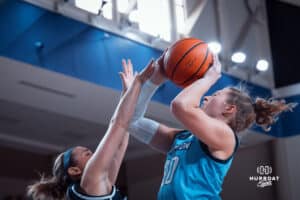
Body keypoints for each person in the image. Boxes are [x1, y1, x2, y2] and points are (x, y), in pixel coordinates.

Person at [124, 52, 296, 199]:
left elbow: (180, 106)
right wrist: (147, 83)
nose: (205, 97)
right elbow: (130, 121)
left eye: (215, 94)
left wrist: (210, 78)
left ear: (229, 109)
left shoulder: (226, 136)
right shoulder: (181, 138)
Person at [27, 59, 155, 200]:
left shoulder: (99, 185)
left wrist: (128, 92)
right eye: (88, 154)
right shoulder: (91, 181)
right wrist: (138, 83)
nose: (95, 154)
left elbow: (119, 143)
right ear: (75, 170)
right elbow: (119, 124)